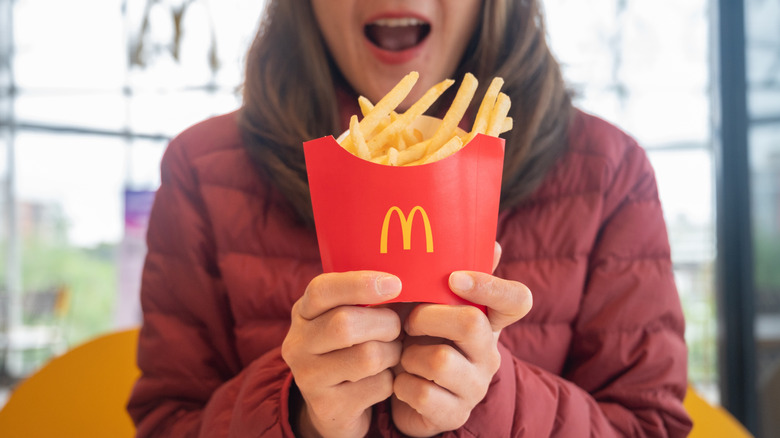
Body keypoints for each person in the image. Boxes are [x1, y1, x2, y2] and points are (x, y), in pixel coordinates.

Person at [127, 0, 693, 436]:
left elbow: (649, 426)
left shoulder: (610, 171)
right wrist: (297, 414)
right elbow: (167, 421)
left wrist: (493, 401)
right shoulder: (202, 168)